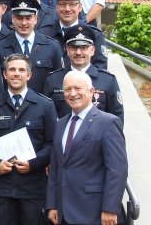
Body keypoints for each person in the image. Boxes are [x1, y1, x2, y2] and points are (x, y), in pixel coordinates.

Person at [0, 54, 57, 225]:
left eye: (21, 70)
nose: (16, 74)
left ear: (29, 75)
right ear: (4, 74)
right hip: (1, 188)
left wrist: (33, 163)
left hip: (33, 188)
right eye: (12, 69)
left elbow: (52, 144)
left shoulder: (45, 106)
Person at [46, 71, 128, 225]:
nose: (72, 93)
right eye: (68, 89)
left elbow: (117, 170)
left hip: (94, 212)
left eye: (78, 88)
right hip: (64, 212)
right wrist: (52, 204)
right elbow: (56, 167)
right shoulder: (60, 124)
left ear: (91, 92)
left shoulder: (108, 122)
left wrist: (110, 209)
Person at [43, 25, 124, 122]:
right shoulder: (53, 79)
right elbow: (46, 115)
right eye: (73, 47)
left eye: (84, 48)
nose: (78, 52)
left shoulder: (107, 80)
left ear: (92, 50)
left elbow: (117, 118)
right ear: (67, 51)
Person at [0, 0, 62, 92]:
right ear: (13, 18)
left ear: (35, 18)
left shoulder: (52, 47)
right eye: (19, 18)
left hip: (43, 106)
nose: (24, 23)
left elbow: (58, 82)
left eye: (28, 18)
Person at [43, 0, 108, 69]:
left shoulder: (94, 34)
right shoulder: (43, 34)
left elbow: (100, 69)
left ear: (80, 7)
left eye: (72, 4)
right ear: (56, 7)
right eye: (62, 4)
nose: (67, 9)